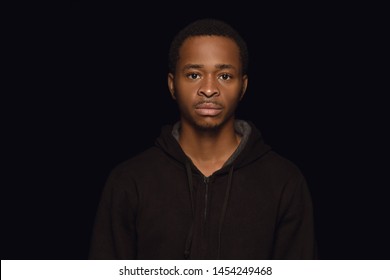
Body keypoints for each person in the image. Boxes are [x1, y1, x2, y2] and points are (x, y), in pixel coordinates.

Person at [88, 18, 317, 260]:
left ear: (243, 86)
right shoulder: (129, 180)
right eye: (194, 74)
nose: (209, 89)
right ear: (172, 84)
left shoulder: (284, 181)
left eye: (225, 76)